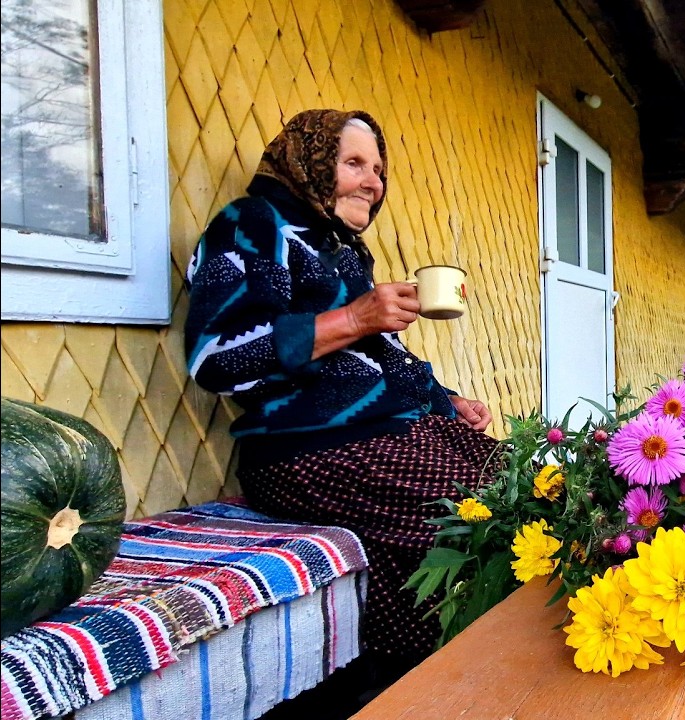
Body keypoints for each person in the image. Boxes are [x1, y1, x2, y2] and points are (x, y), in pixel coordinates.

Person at [184, 109, 500, 680]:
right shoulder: (255, 226)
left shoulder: (339, 248)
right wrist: (356, 316)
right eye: (353, 163)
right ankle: (456, 679)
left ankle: (429, 672)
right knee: (486, 523)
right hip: (310, 450)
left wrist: (443, 398)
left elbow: (371, 357)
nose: (372, 181)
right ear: (308, 163)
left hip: (386, 436)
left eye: (377, 169)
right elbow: (219, 357)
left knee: (525, 482)